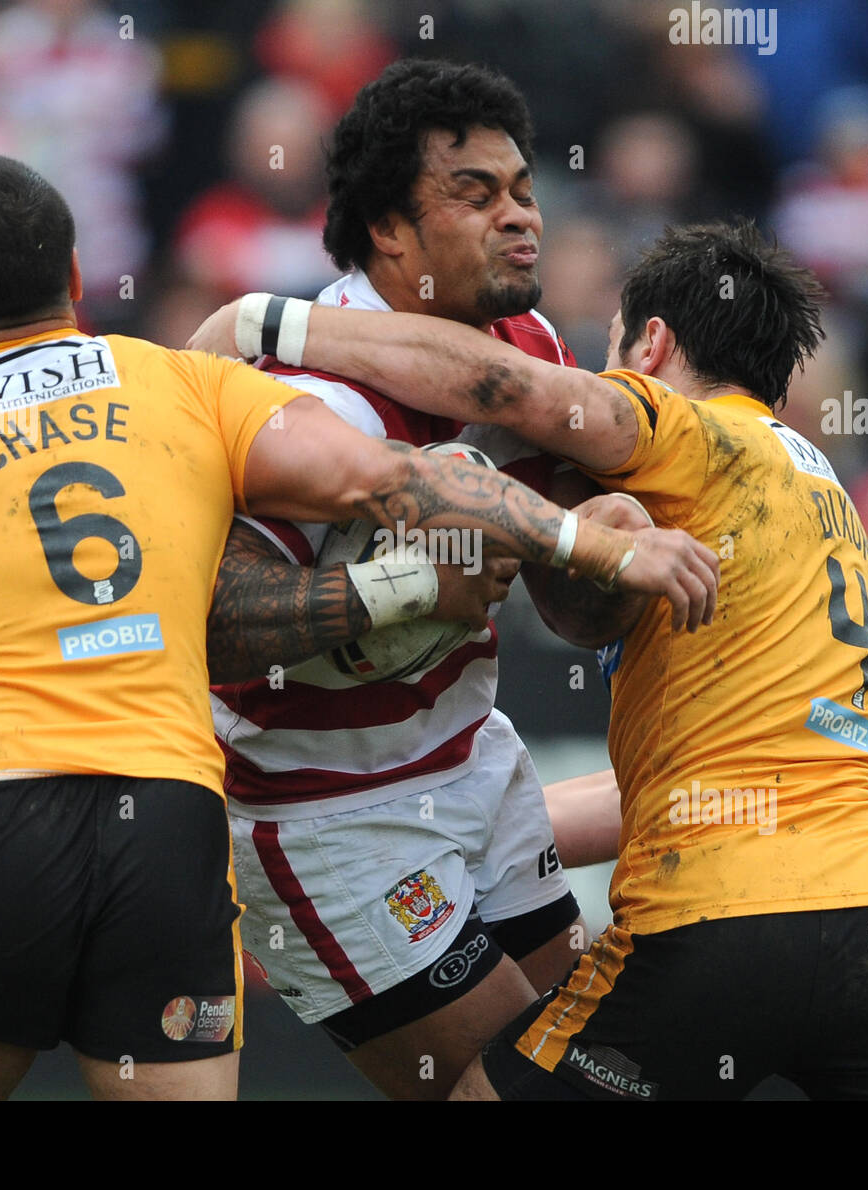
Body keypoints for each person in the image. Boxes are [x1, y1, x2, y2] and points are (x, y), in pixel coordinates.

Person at [0, 156, 717, 1101]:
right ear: (78, 281)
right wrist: (587, 543)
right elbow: (402, 480)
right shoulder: (180, 383)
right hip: (166, 818)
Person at [188, 218, 868, 1101]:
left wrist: (270, 325)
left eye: (612, 350)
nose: (596, 374)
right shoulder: (831, 498)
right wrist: (460, 831)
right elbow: (713, 787)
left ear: (655, 345)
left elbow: (507, 385)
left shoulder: (693, 437)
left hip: (711, 928)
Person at [199, 60, 657, 1100]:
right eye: (475, 193)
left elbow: (573, 614)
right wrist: (407, 586)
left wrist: (596, 538)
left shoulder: (524, 346)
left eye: (524, 188)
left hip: (473, 763)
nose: (519, 217)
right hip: (328, 814)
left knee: (582, 1069)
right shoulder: (314, 402)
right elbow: (214, 623)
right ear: (390, 232)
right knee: (521, 1084)